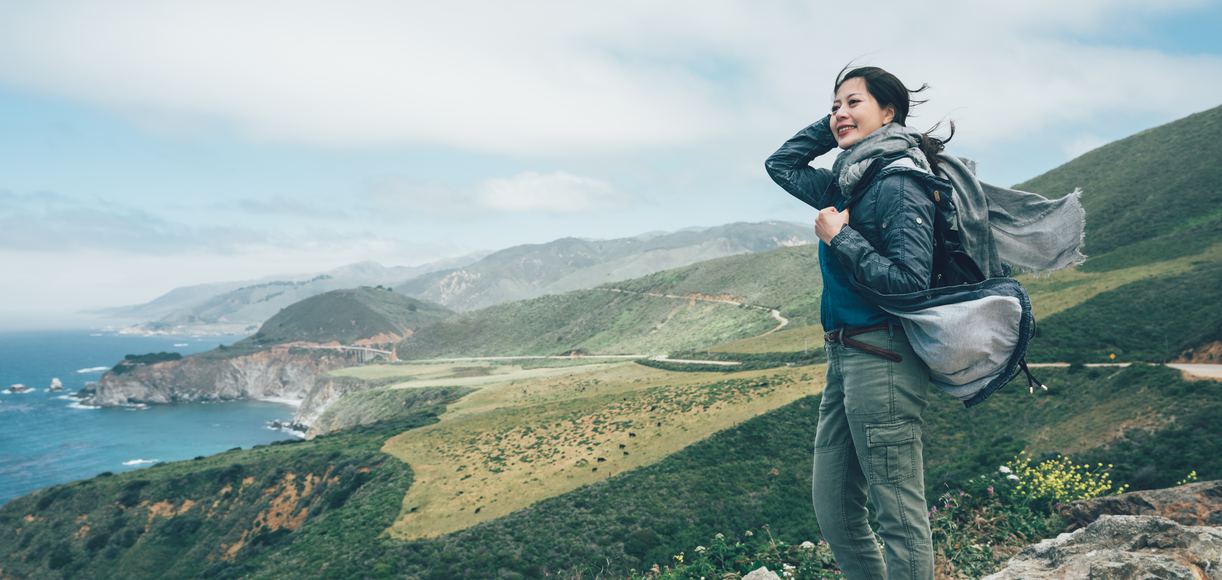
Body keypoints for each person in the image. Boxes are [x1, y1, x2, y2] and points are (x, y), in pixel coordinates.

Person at [765, 65, 955, 580]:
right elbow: (780, 164)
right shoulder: (850, 182)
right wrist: (833, 126)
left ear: (889, 112)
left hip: (885, 355)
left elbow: (909, 282)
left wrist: (840, 239)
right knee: (833, 506)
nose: (840, 113)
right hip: (844, 356)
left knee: (898, 513)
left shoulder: (898, 182)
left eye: (854, 103)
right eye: (834, 106)